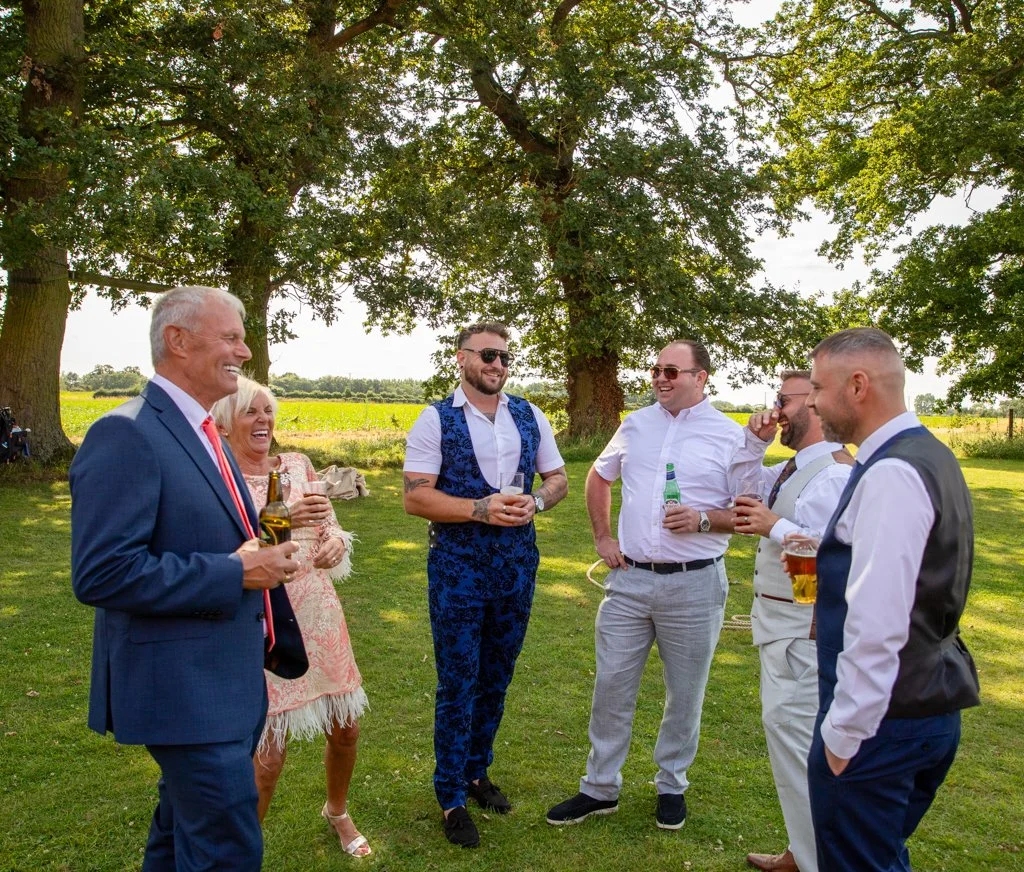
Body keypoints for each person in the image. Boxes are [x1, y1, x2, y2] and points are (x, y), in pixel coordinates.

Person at [69, 286, 307, 872]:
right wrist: (235, 570)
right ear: (178, 340)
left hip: (224, 683)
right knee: (226, 850)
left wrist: (260, 552)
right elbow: (102, 572)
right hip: (182, 691)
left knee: (177, 840)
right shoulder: (126, 433)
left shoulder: (200, 431)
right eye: (230, 336)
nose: (244, 351)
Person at [547, 339, 741, 832]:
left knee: (685, 693)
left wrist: (700, 520)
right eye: (656, 370)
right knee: (611, 685)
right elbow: (598, 476)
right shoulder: (635, 424)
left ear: (701, 378)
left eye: (673, 371)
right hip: (629, 580)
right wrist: (602, 537)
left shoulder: (730, 436)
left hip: (695, 586)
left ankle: (671, 785)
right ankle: (599, 787)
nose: (660, 378)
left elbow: (747, 513)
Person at [805, 327, 980, 872]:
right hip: (925, 704)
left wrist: (843, 734)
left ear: (857, 386)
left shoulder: (894, 473)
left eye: (818, 387)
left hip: (883, 723)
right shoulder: (929, 454)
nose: (812, 401)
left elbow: (879, 618)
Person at [403, 321, 568, 848]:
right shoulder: (435, 420)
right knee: (459, 680)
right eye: (488, 356)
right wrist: (479, 508)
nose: (498, 365)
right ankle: (450, 793)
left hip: (517, 566)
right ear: (462, 359)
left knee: (497, 676)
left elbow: (557, 479)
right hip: (457, 568)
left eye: (504, 358)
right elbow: (415, 498)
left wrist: (537, 503)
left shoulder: (528, 413)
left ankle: (477, 772)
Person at [212, 376, 371, 858]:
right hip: (264, 619)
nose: (264, 421)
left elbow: (331, 526)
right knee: (269, 754)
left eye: (268, 411)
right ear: (223, 422)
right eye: (250, 412)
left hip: (319, 612)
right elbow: (225, 549)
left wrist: (333, 544)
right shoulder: (220, 479)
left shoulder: (298, 464)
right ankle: (243, 851)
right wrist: (282, 520)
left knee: (346, 727)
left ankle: (337, 811)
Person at [728, 371, 853, 872]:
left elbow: (836, 555)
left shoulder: (834, 475)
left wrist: (774, 526)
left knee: (802, 750)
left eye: (784, 399)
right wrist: (752, 445)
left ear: (816, 405)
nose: (775, 408)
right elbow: (740, 493)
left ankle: (819, 860)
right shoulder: (795, 467)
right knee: (789, 745)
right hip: (782, 624)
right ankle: (802, 852)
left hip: (803, 634)